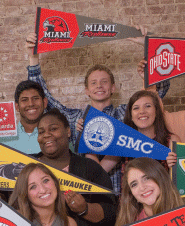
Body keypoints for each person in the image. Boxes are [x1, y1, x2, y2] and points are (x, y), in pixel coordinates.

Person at [25, 31, 170, 192]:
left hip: (123, 196)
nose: (99, 86)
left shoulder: (125, 114)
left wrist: (148, 46)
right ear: (87, 90)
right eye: (94, 83)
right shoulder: (75, 118)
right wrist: (33, 58)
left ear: (113, 88)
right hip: (87, 198)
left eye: (104, 82)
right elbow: (45, 100)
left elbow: (157, 94)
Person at [0, 81, 48, 154]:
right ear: (17, 106)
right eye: (24, 100)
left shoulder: (53, 134)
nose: (31, 104)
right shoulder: (4, 133)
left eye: (35, 98)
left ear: (45, 102)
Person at [122, 90, 177, 172]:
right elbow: (99, 169)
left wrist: (173, 168)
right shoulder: (123, 141)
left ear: (156, 112)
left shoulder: (172, 141)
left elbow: (182, 180)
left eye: (147, 106)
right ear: (131, 116)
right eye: (136, 108)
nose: (142, 111)